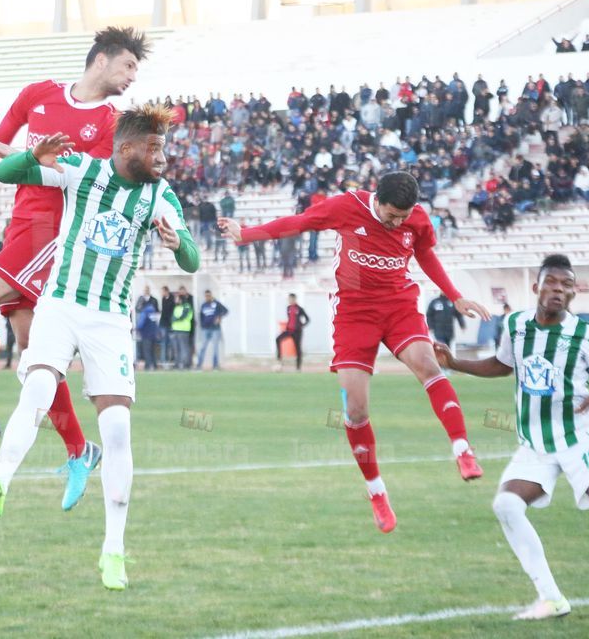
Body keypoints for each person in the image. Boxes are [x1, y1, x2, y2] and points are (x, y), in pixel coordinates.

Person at [0, 104, 200, 590]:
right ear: (126, 148)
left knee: (117, 428)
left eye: (164, 148)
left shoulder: (160, 195)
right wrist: (32, 155)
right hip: (59, 305)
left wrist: (176, 243)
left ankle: (113, 550)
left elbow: (193, 260)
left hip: (110, 321)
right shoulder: (83, 170)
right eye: (154, 148)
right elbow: (6, 174)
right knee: (38, 389)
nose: (162, 158)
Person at [0, 30, 150, 517]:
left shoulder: (111, 124)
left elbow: (77, 179)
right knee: (34, 354)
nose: (133, 77)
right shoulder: (38, 94)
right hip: (21, 226)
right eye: (129, 66)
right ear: (102, 60)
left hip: (52, 232)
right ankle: (79, 450)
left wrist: (21, 159)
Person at [219, 171, 490, 534]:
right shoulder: (347, 207)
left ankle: (462, 450)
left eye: (403, 217)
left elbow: (424, 253)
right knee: (356, 409)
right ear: (377, 199)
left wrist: (455, 296)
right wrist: (247, 234)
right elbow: (299, 223)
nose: (397, 223)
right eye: (391, 215)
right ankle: (376, 491)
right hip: (354, 313)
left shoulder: (417, 218)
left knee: (428, 364)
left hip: (399, 305)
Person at [434, 254, 589, 621]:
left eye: (566, 285)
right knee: (506, 505)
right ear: (537, 287)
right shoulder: (515, 324)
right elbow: (502, 365)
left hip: (580, 437)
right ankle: (550, 598)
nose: (558, 290)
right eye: (551, 282)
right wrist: (455, 363)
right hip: (536, 444)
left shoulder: (584, 334)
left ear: (574, 293)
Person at [275, 293, 310, 371]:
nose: (289, 300)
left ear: (294, 299)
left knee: (298, 348)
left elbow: (308, 319)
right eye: (288, 299)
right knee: (278, 339)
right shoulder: (288, 308)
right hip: (289, 330)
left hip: (297, 332)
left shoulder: (300, 309)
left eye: (290, 299)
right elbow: (290, 318)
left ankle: (298, 367)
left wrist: (301, 326)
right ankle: (279, 359)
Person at [196, 290, 228, 370]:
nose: (207, 297)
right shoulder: (203, 305)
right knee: (203, 347)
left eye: (209, 295)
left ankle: (215, 365)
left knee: (215, 348)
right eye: (206, 296)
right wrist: (202, 326)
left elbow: (225, 311)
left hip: (215, 329)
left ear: (211, 296)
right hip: (205, 329)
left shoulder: (216, 304)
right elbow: (201, 316)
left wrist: (219, 317)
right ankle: (199, 365)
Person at [170, 290, 194, 370]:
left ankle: (185, 364)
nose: (175, 300)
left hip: (183, 330)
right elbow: (173, 318)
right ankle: (177, 363)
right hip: (176, 329)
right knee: (176, 348)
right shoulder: (177, 307)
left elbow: (183, 316)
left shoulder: (186, 306)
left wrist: (176, 319)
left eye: (176, 298)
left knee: (184, 348)